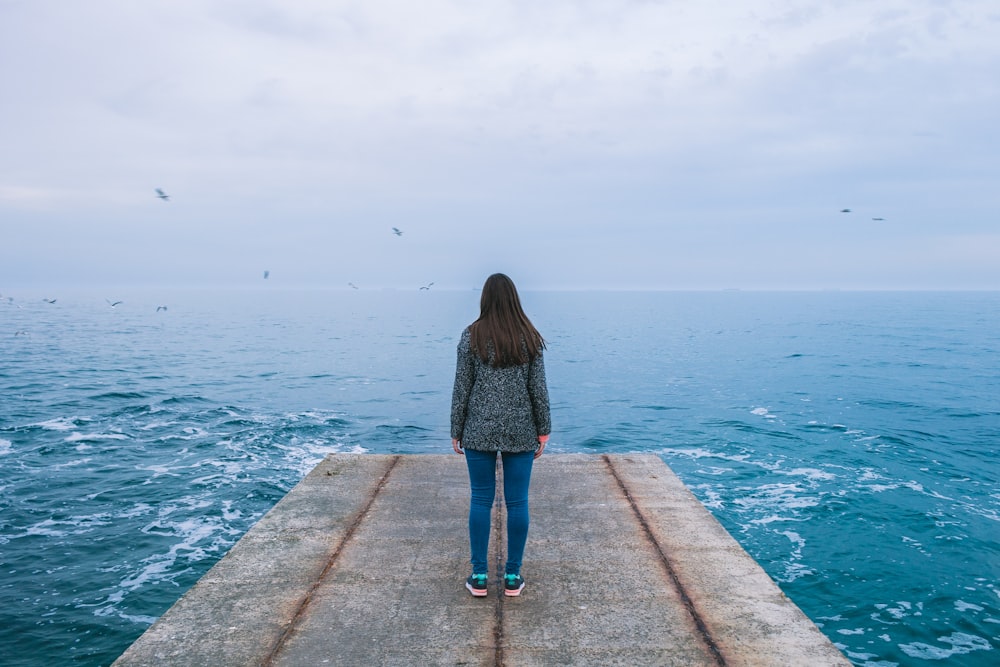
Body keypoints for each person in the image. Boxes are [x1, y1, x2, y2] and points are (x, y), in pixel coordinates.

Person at [451, 273, 551, 598]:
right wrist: (543, 430)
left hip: (479, 427)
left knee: (481, 499)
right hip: (521, 429)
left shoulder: (471, 336)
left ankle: (479, 576)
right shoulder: (529, 337)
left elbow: (461, 387)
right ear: (514, 299)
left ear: (484, 299)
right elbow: (538, 389)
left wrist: (456, 429)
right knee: (517, 501)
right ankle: (512, 577)